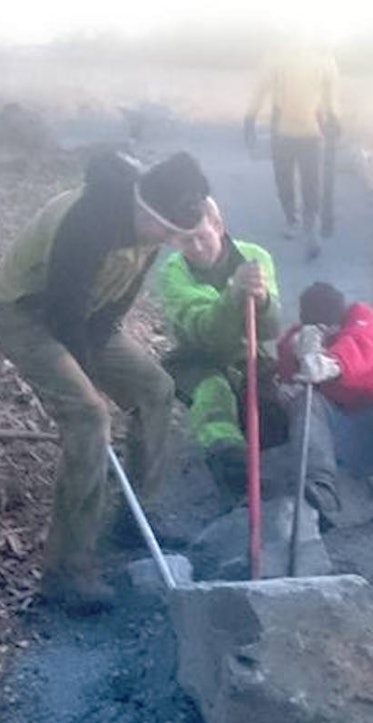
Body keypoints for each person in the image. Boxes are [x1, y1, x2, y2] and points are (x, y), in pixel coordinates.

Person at [0, 150, 212, 615]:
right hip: (25, 313)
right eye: (167, 231)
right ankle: (66, 569)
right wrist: (85, 378)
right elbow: (62, 312)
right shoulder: (88, 222)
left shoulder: (150, 227)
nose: (170, 241)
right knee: (89, 416)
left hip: (87, 318)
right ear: (146, 210)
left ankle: (134, 517)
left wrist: (101, 352)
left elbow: (112, 308)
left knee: (155, 390)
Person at [155, 196, 287, 504]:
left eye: (202, 236)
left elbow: (270, 330)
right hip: (197, 356)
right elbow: (207, 333)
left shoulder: (255, 257)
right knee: (213, 398)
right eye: (186, 241)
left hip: (246, 355)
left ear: (218, 225)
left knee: (272, 424)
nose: (197, 248)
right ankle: (230, 468)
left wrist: (263, 300)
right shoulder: (173, 273)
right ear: (173, 241)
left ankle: (250, 444)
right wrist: (233, 295)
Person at [277, 282, 373, 532]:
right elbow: (287, 378)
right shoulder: (298, 340)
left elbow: (360, 347)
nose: (328, 332)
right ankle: (321, 491)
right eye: (321, 329)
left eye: (331, 327)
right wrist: (296, 357)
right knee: (304, 398)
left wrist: (330, 364)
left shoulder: (361, 319)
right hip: (338, 439)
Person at [243, 34, 340, 260]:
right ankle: (297, 221)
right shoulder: (279, 57)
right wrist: (250, 116)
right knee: (292, 178)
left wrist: (333, 116)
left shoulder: (319, 57)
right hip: (291, 129)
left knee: (303, 180)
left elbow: (329, 92)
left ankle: (306, 226)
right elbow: (262, 88)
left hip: (306, 129)